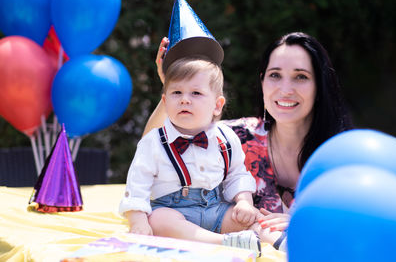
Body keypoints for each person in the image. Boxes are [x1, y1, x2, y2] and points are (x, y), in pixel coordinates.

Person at [144, 32, 353, 248]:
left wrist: (306, 222)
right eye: (275, 75)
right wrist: (172, 91)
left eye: (301, 76)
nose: (285, 89)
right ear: (262, 82)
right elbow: (154, 148)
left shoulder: (340, 153)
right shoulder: (236, 136)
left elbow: (361, 216)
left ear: (320, 86)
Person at [119, 57, 280, 256]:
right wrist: (138, 221)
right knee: (158, 220)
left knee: (252, 217)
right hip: (175, 212)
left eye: (196, 93)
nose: (184, 99)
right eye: (176, 92)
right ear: (165, 100)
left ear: (217, 105)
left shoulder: (226, 138)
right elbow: (137, 185)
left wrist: (244, 201)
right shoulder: (154, 142)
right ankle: (223, 242)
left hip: (217, 209)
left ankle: (281, 242)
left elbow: (237, 174)